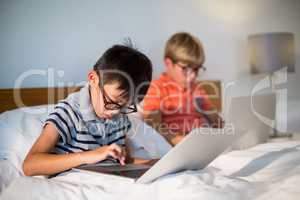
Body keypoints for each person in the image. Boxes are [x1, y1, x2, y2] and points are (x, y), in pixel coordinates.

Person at [23, 44, 153, 176]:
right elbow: (30, 165)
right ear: (93, 79)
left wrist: (155, 163)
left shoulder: (120, 117)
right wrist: (87, 156)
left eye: (126, 106)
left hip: (110, 183)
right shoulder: (68, 113)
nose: (115, 112)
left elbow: (124, 161)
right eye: (112, 102)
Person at [142, 32, 223, 146]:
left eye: (196, 69)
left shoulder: (196, 89)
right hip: (178, 145)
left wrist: (224, 133)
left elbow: (216, 120)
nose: (192, 76)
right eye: (185, 69)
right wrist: (180, 141)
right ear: (168, 63)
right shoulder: (157, 88)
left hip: (202, 142)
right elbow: (153, 125)